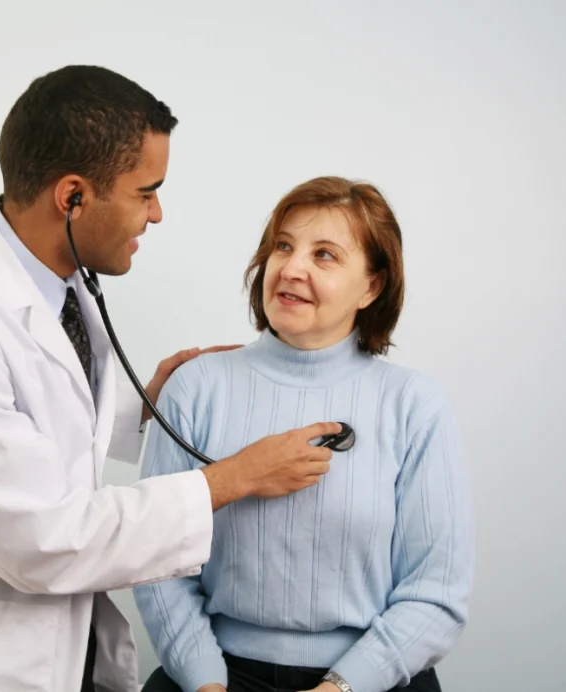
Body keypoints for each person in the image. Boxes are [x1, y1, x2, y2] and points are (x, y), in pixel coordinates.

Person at [0, 66, 345, 692]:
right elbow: (43, 538)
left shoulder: (60, 286)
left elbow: (39, 414)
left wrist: (142, 407)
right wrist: (233, 479)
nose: (157, 213)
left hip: (58, 658)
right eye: (146, 191)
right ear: (73, 197)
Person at [133, 176, 475, 692]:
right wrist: (205, 683)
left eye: (325, 255)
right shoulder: (196, 386)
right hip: (215, 676)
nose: (292, 268)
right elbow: (158, 561)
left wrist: (340, 688)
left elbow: (437, 591)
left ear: (372, 286)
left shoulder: (415, 406)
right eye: (283, 247)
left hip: (367, 681)